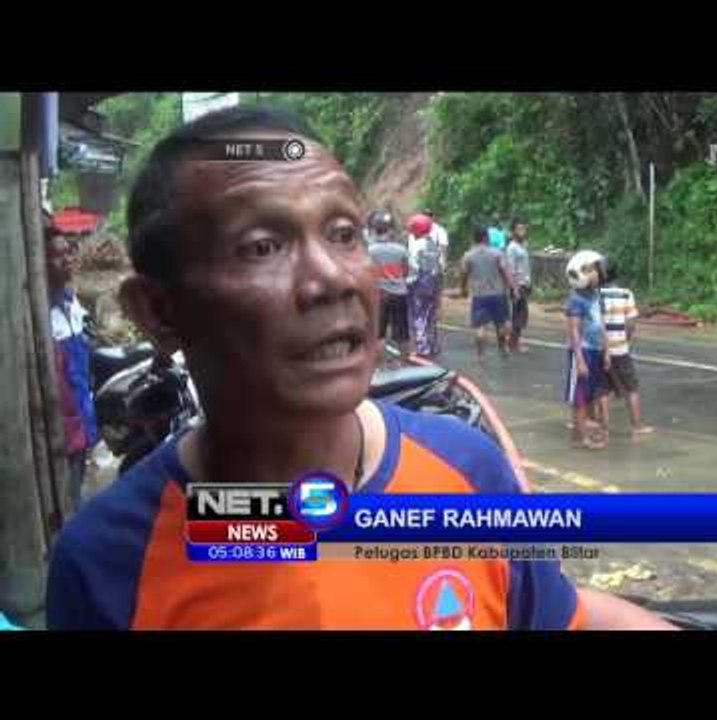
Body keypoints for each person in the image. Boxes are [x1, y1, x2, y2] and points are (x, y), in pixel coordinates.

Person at [44, 107, 674, 630]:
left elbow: (560, 616)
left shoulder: (466, 473)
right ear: (157, 310)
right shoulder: (109, 561)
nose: (331, 279)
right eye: (263, 246)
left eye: (344, 234)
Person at [46, 222, 98, 512]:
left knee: (77, 495)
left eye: (69, 252)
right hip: (61, 432)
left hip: (82, 420)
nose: (67, 259)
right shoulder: (40, 316)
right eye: (57, 255)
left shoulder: (71, 302)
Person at [595, 258, 653, 444]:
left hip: (600, 348)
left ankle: (604, 429)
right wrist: (624, 340)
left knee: (602, 390)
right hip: (620, 348)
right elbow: (631, 323)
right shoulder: (626, 294)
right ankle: (637, 427)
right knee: (631, 388)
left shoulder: (596, 295)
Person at [565, 250, 610, 451]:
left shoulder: (596, 295)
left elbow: (603, 324)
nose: (598, 273)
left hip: (596, 350)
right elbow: (574, 331)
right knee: (580, 397)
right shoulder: (576, 300)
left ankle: (578, 432)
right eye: (593, 270)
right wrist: (579, 359)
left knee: (589, 395)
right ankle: (581, 436)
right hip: (583, 351)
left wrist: (606, 350)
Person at [460, 224, 517, 361]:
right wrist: (513, 288)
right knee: (501, 323)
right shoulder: (497, 253)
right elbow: (505, 272)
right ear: (486, 237)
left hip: (479, 295)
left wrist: (463, 289)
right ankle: (503, 348)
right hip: (498, 294)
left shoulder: (468, 255)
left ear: (474, 238)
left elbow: (463, 274)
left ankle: (481, 354)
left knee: (480, 326)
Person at [367, 211, 411, 358]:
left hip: (379, 295)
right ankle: (407, 367)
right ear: (389, 230)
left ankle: (380, 369)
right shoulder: (401, 250)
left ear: (375, 231)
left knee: (379, 334)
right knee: (403, 334)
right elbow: (405, 272)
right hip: (399, 294)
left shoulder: (369, 251)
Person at [406, 213, 444, 357]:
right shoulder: (433, 245)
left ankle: (422, 348)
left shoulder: (415, 245)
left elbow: (413, 267)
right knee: (430, 315)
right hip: (433, 283)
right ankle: (432, 344)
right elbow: (440, 268)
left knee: (418, 315)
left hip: (419, 283)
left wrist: (407, 284)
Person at [505, 218, 532, 353]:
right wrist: (514, 288)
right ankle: (513, 344)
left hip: (525, 284)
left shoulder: (523, 245)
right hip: (518, 285)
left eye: (524, 229)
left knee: (521, 315)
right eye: (519, 229)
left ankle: (513, 342)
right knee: (518, 315)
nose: (522, 231)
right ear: (513, 231)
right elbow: (510, 269)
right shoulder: (512, 248)